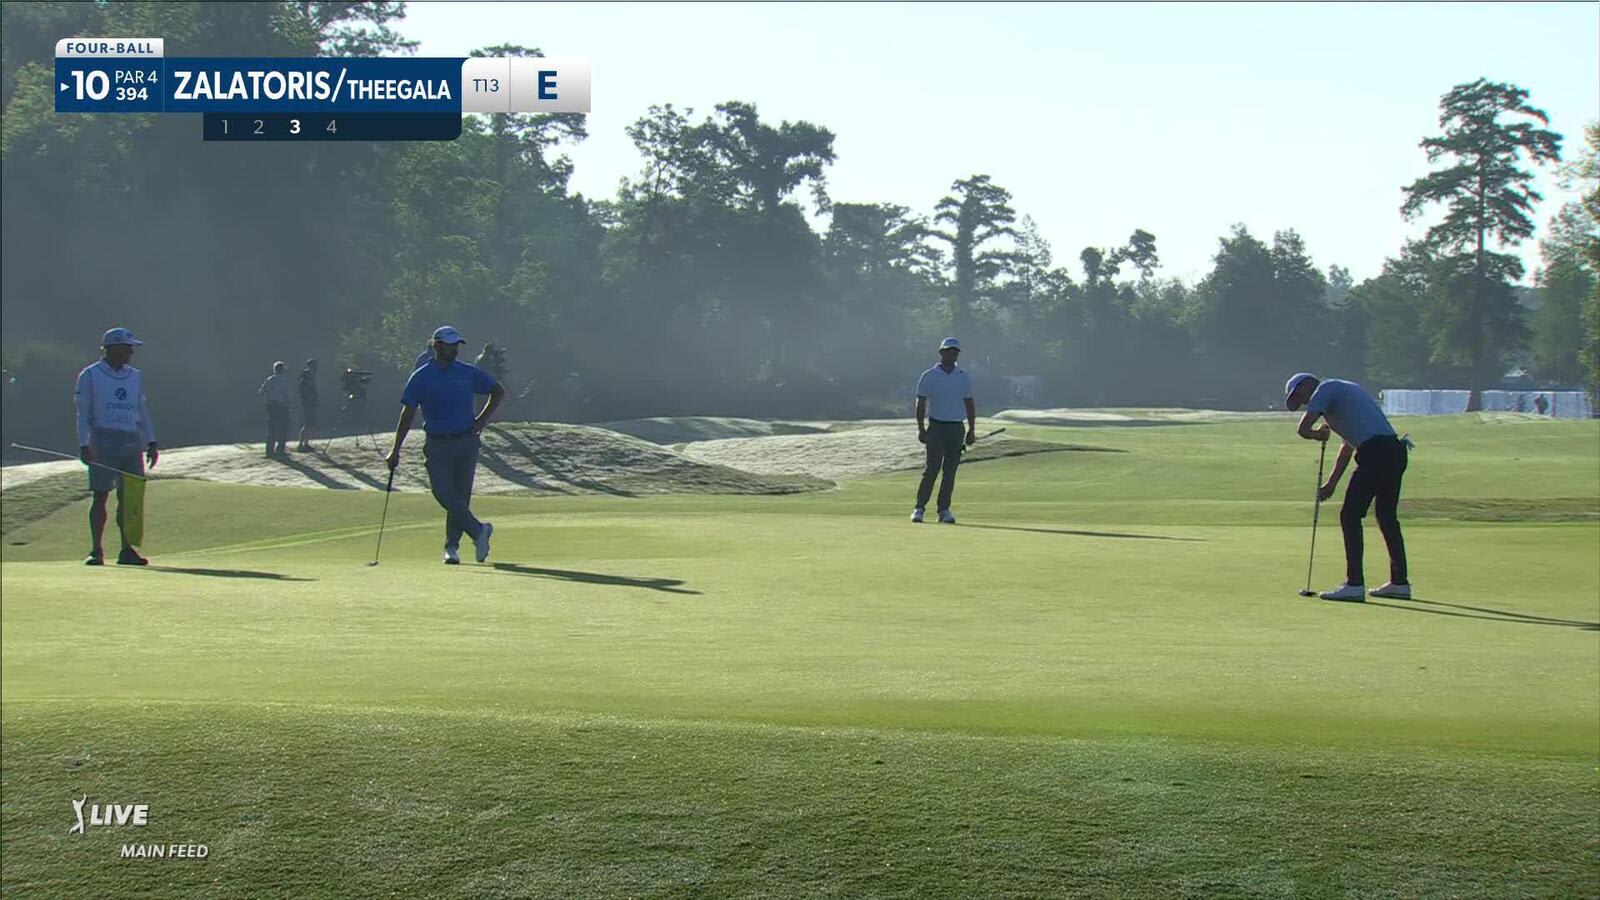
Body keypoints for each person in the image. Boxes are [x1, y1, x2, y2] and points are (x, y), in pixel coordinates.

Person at [385, 325, 507, 564]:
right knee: (443, 493)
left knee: (460, 497)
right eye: (449, 345)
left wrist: (481, 420)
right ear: (437, 346)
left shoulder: (467, 372)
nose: (454, 350)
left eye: (456, 346)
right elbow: (407, 414)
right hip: (437, 443)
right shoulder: (421, 377)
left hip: (466, 441)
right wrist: (395, 448)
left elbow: (497, 391)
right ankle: (478, 530)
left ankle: (452, 547)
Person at [1285, 372, 1411, 601]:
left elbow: (1303, 428)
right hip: (1394, 451)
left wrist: (1315, 434)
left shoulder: (1325, 389)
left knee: (1350, 516)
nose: (1303, 402)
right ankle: (1400, 583)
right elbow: (1347, 447)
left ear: (1306, 384)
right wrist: (1331, 484)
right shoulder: (1342, 395)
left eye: (1299, 395)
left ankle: (1354, 585)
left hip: (1376, 452)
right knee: (1386, 517)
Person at [74, 327, 159, 566]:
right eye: (127, 347)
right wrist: (84, 444)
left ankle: (127, 549)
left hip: (130, 439)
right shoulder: (90, 375)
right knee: (101, 494)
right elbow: (83, 413)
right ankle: (96, 550)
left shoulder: (135, 376)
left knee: (130, 496)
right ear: (114, 348)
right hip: (102, 438)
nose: (131, 351)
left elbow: (141, 410)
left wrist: (151, 441)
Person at [911, 336, 976, 524]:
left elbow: (969, 403)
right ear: (941, 352)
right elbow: (920, 403)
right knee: (932, 469)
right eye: (949, 351)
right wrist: (921, 429)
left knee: (950, 472)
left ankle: (944, 510)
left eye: (955, 351)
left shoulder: (963, 376)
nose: (953, 354)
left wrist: (971, 429)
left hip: (956, 428)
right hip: (937, 426)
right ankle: (919, 508)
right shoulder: (929, 376)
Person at [258, 361, 293, 457]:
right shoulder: (284, 380)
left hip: (271, 407)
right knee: (282, 429)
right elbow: (288, 395)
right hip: (282, 407)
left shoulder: (270, 380)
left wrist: (266, 403)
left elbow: (262, 392)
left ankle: (269, 451)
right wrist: (289, 404)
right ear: (283, 370)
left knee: (272, 429)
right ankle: (280, 450)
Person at [296, 358, 319, 451]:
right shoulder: (308, 375)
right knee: (307, 424)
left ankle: (305, 443)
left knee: (308, 424)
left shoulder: (309, 375)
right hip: (308, 402)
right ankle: (302, 444)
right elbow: (305, 389)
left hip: (309, 401)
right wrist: (310, 397)